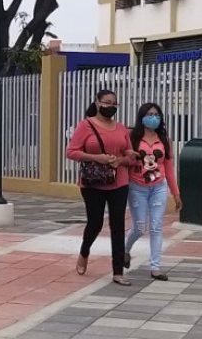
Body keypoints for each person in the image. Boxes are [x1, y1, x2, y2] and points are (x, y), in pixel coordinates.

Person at [66, 89, 135, 285]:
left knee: (118, 225)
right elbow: (71, 152)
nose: (110, 106)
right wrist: (97, 158)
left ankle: (118, 271)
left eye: (114, 103)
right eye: (107, 102)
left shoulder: (121, 128)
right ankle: (84, 251)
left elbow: (130, 155)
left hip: (118, 182)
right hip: (93, 183)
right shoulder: (86, 125)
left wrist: (122, 159)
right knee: (95, 223)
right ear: (97, 103)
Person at [125, 103, 182, 281]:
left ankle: (155, 267)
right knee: (140, 227)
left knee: (157, 227)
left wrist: (176, 192)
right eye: (149, 114)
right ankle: (125, 250)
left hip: (158, 187)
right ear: (141, 117)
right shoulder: (132, 137)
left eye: (156, 114)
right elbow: (125, 161)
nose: (153, 117)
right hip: (137, 187)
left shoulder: (164, 139)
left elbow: (169, 167)